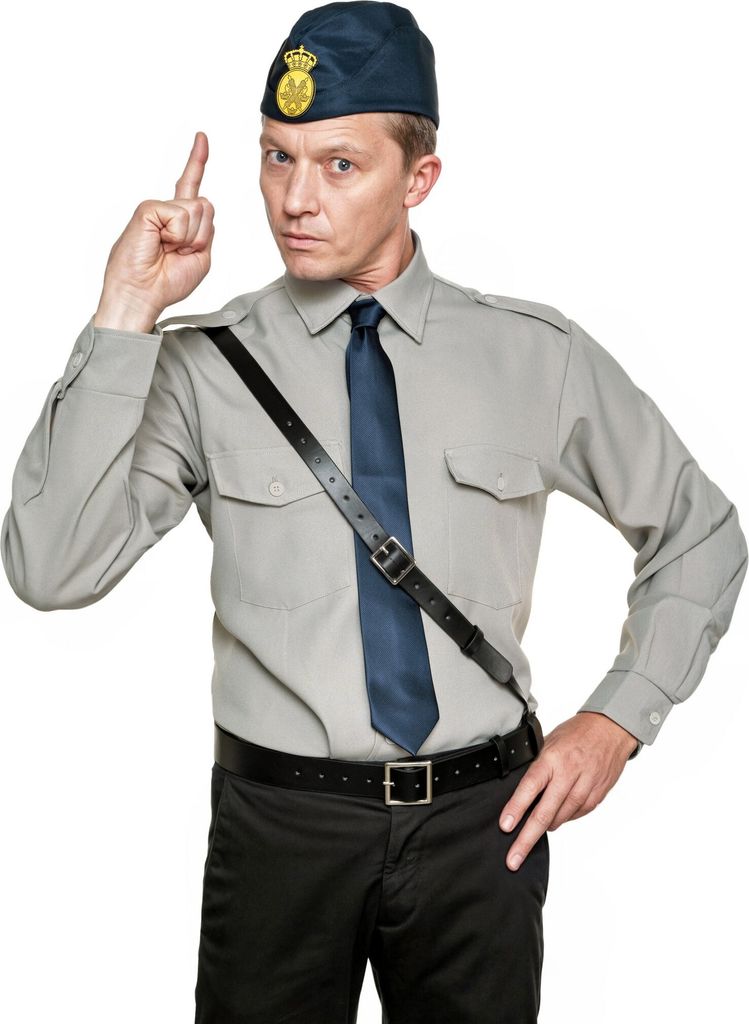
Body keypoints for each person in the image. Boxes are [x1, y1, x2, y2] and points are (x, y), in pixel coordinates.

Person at [1, 2, 746, 1022]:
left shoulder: (533, 355)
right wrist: (126, 312)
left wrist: (618, 716)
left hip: (484, 826)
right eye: (276, 157)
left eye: (338, 165)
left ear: (417, 178)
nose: (294, 199)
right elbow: (49, 569)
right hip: (280, 826)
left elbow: (699, 532)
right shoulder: (200, 366)